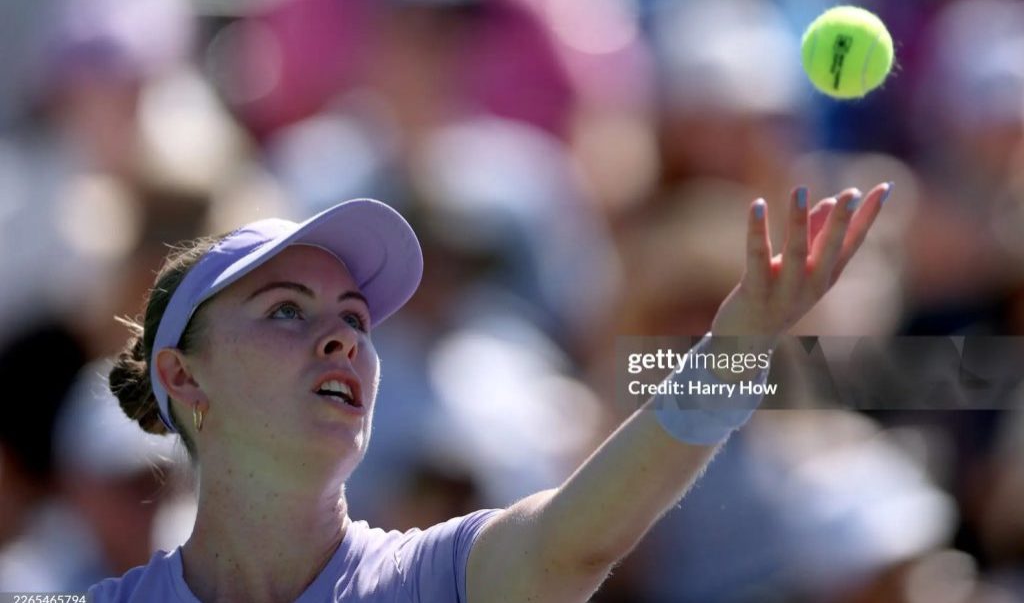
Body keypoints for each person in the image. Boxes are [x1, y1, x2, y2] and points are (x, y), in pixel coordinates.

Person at [89, 187, 890, 602]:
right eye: (286, 310)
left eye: (355, 318)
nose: (342, 339)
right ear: (183, 376)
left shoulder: (441, 582)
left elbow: (584, 534)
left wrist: (736, 347)